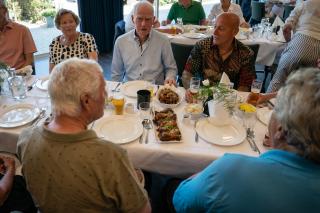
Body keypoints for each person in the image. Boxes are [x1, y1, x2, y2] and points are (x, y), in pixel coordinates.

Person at [173, 67, 320, 212]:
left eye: (273, 110)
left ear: (281, 130)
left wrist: (205, 174)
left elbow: (180, 201)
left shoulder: (229, 170)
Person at [17, 58, 151, 213]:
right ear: (86, 101)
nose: (106, 96)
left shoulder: (25, 138)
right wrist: (133, 179)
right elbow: (143, 211)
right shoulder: (110, 155)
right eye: (103, 91)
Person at [182, 12, 256, 93]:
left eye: (221, 29)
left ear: (235, 32)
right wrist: (192, 90)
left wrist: (234, 101)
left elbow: (245, 85)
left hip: (229, 99)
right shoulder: (202, 46)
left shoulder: (245, 53)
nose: (214, 32)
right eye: (215, 27)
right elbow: (187, 73)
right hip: (202, 96)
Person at [112, 1, 177, 85]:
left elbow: (171, 68)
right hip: (128, 89)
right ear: (133, 19)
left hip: (154, 91)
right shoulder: (120, 42)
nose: (143, 24)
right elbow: (116, 75)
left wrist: (170, 77)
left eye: (148, 19)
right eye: (139, 19)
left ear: (153, 20)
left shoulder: (163, 40)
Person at [267, 0, 320, 92]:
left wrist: (289, 42)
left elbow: (286, 28)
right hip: (317, 52)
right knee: (306, 90)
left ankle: (265, 105)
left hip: (300, 43)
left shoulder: (303, 3)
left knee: (278, 81)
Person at [0, 0, 37, 70]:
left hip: (21, 75)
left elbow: (30, 60)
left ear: (4, 10)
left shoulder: (22, 30)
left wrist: (18, 76)